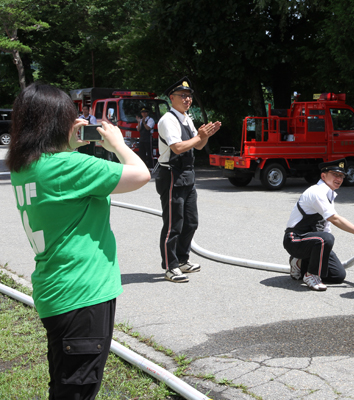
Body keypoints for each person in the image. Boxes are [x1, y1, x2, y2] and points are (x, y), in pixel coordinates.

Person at [6, 82, 151, 399]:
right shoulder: (69, 167)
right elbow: (140, 174)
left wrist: (68, 143)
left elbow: (60, 178)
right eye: (71, 118)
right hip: (83, 295)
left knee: (63, 383)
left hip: (56, 292)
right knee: (77, 391)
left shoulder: (24, 166)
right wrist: (118, 144)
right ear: (56, 123)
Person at [156, 77, 221, 283]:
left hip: (188, 174)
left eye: (189, 96)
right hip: (172, 173)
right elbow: (178, 147)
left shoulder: (187, 118)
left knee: (191, 222)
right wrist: (198, 136)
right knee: (173, 224)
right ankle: (170, 265)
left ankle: (183, 259)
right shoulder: (168, 120)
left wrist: (206, 135)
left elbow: (198, 146)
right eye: (182, 96)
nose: (187, 99)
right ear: (171, 98)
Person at [283, 158, 354, 291]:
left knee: (338, 275)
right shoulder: (316, 192)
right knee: (326, 239)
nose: (339, 179)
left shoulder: (329, 194)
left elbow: (325, 227)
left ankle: (300, 264)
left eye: (341, 176)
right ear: (323, 176)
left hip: (313, 241)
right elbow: (335, 219)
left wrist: (323, 254)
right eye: (335, 174)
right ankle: (311, 275)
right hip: (295, 239)